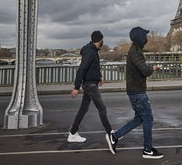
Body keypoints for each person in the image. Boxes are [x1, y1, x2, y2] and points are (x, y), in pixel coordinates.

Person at [106, 27, 163, 159]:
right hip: (138, 92)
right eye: (144, 36)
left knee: (139, 118)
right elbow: (145, 70)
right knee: (148, 118)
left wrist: (149, 68)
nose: (146, 38)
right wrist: (152, 68)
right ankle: (148, 150)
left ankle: (114, 137)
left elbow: (141, 68)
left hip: (135, 90)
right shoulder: (135, 53)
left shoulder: (135, 51)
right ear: (140, 38)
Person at [67, 31, 113, 145]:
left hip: (91, 83)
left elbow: (93, 68)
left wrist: (100, 77)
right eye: (102, 39)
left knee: (83, 109)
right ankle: (110, 133)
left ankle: (73, 133)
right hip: (90, 85)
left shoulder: (92, 51)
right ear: (100, 40)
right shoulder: (90, 52)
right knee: (102, 108)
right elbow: (82, 69)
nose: (103, 41)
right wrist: (76, 87)